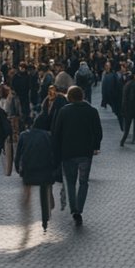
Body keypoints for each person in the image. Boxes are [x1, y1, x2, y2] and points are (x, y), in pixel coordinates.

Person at [51, 86, 103, 226]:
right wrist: (95, 146)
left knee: (70, 181)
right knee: (84, 181)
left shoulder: (63, 111)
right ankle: (79, 209)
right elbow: (98, 131)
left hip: (68, 152)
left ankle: (73, 207)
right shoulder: (92, 111)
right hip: (85, 152)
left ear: (70, 97)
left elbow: (56, 133)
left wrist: (56, 151)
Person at [15, 115, 58, 231]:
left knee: (27, 189)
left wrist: (17, 167)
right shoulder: (48, 136)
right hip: (45, 167)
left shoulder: (24, 135)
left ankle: (26, 214)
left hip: (29, 167)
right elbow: (54, 153)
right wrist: (55, 167)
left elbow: (18, 154)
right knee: (45, 189)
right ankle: (46, 215)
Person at [0, 83, 23, 175]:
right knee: (16, 146)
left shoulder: (10, 96)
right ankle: (17, 166)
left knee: (9, 145)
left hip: (9, 121)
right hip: (15, 122)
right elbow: (18, 111)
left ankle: (8, 170)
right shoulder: (14, 96)